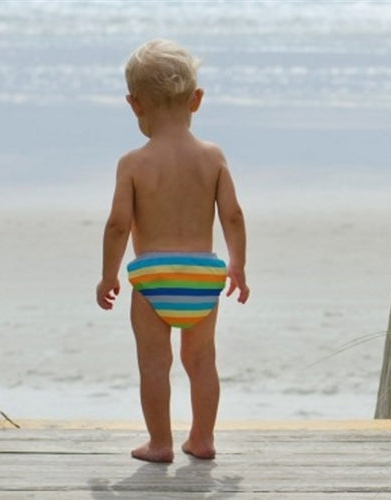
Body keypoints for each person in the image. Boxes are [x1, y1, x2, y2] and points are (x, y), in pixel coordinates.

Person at [96, 39, 249, 463]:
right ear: (196, 99)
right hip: (202, 277)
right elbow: (233, 215)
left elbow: (118, 225)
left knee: (154, 364)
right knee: (201, 361)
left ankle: (161, 443)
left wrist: (108, 275)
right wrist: (237, 265)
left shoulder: (133, 163)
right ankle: (202, 439)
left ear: (134, 104)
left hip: (154, 278)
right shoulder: (213, 157)